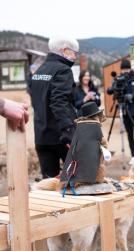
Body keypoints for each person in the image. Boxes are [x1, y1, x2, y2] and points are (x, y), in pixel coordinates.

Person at [29, 36, 79, 178]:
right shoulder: (63, 70)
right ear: (64, 51)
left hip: (41, 135)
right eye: (74, 52)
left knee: (48, 184)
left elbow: (36, 102)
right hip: (61, 137)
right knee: (76, 179)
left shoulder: (39, 72)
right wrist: (68, 130)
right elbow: (59, 102)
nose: (75, 55)